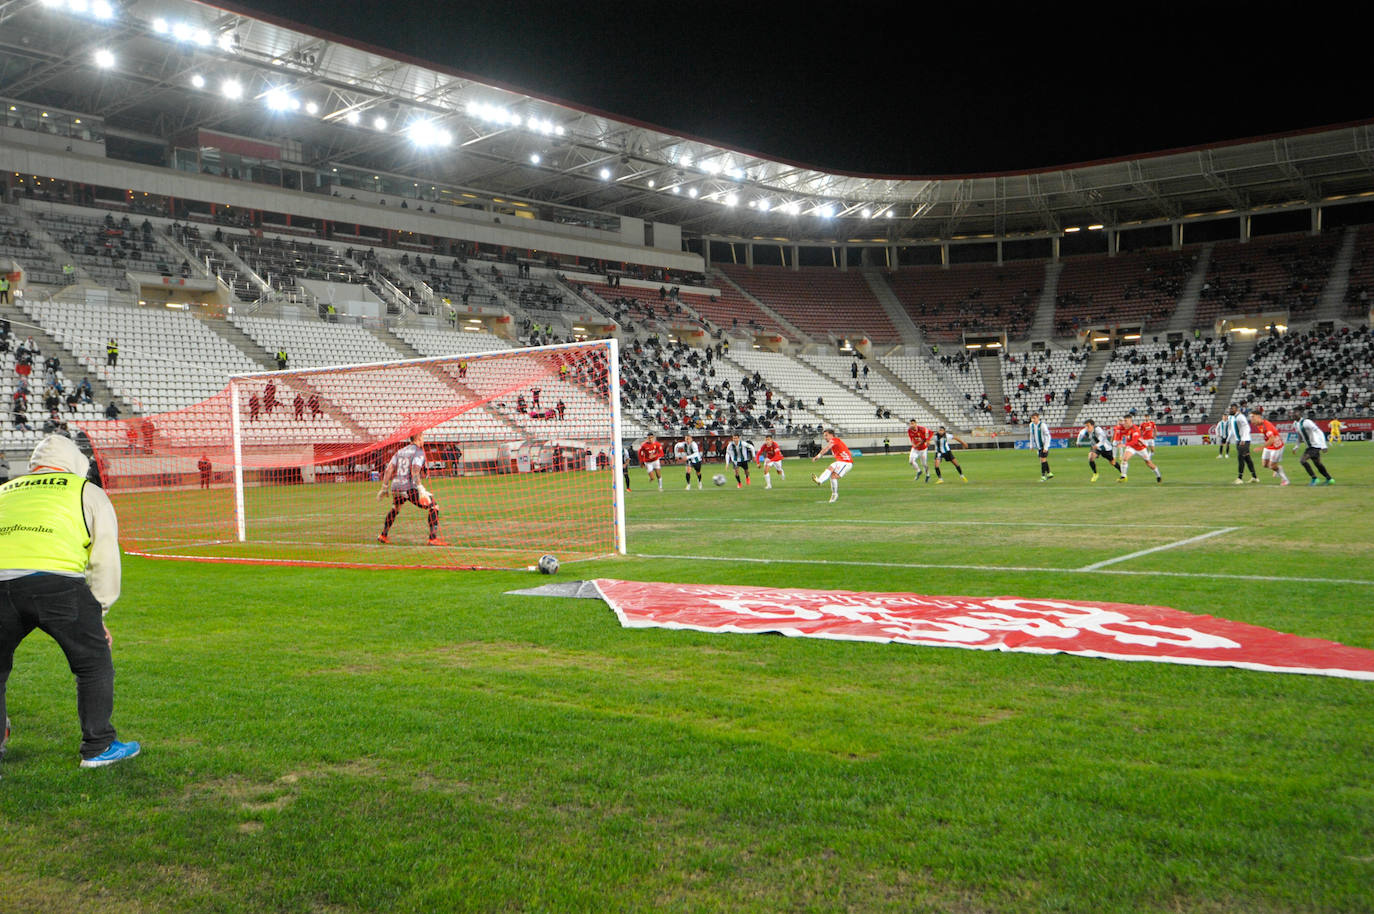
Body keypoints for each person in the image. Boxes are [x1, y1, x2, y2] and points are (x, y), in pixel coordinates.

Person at [0, 435, 140, 768]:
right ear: (75, 462)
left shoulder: (4, 490)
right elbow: (104, 558)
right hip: (58, 584)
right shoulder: (85, 491)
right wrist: (100, 612)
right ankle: (98, 747)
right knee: (93, 661)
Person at [376, 430, 447, 545]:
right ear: (418, 438)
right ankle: (433, 539)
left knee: (396, 509)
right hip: (409, 487)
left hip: (396, 487)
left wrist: (384, 487)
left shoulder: (400, 451)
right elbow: (415, 471)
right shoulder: (418, 452)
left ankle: (383, 535)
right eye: (423, 437)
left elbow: (389, 469)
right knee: (434, 506)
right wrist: (420, 489)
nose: (423, 439)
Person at [1115, 416, 1162, 484]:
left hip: (1140, 448)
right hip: (1131, 447)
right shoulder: (1123, 427)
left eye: (1126, 421)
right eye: (1124, 421)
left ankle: (1158, 476)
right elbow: (1119, 432)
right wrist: (1119, 440)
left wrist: (1124, 445)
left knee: (1149, 463)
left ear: (1130, 422)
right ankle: (1123, 476)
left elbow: (1134, 441)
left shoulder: (1135, 429)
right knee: (1124, 459)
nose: (1124, 422)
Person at [810, 429, 852, 504]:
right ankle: (833, 493)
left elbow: (826, 448)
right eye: (824, 436)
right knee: (832, 475)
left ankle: (821, 481)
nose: (825, 437)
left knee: (832, 470)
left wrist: (818, 456)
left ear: (831, 435)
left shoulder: (834, 440)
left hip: (845, 462)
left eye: (826, 435)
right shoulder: (835, 441)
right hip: (841, 462)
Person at [1293, 413, 1334, 486]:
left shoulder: (1307, 422)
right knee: (1318, 464)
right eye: (1293, 415)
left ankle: (1314, 478)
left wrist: (1324, 445)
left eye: (1296, 414)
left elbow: (1319, 431)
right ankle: (1329, 479)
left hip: (1315, 446)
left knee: (1302, 460)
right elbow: (1300, 435)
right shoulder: (1295, 424)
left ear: (1300, 415)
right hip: (1310, 447)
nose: (1294, 416)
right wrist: (1297, 446)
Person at [1250, 409, 1289, 486]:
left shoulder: (1267, 426)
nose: (1251, 418)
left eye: (1253, 417)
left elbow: (1272, 439)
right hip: (1269, 446)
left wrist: (1261, 447)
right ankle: (1277, 469)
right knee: (1264, 464)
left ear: (1258, 417)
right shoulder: (1258, 424)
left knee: (1272, 466)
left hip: (1276, 447)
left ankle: (1285, 479)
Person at [1224, 403, 1258, 485]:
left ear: (1236, 409)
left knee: (1241, 458)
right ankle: (1254, 477)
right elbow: (1233, 430)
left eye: (1231, 409)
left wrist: (1243, 439)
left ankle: (1240, 478)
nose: (1230, 410)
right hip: (1238, 441)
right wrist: (1228, 440)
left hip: (1244, 440)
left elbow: (1247, 428)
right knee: (1247, 458)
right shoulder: (1232, 418)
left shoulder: (1240, 417)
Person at [1028, 412, 1054, 481]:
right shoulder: (1031, 425)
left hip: (1043, 445)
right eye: (1032, 418)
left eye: (1035, 418)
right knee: (1043, 460)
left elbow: (1048, 436)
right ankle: (1049, 473)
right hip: (1038, 446)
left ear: (1038, 418)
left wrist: (1046, 447)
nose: (1033, 420)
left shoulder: (1042, 425)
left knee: (1042, 460)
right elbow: (1031, 435)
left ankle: (1043, 476)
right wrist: (1031, 445)